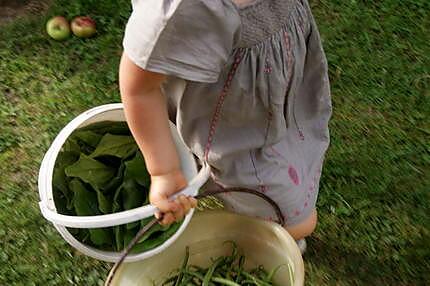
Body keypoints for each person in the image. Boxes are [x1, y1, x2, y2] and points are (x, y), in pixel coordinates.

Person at [119, 0, 331, 253]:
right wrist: (163, 170)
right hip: (231, 127)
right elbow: (140, 88)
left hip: (275, 89)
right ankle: (278, 229)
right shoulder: (181, 9)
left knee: (296, 141)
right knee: (296, 222)